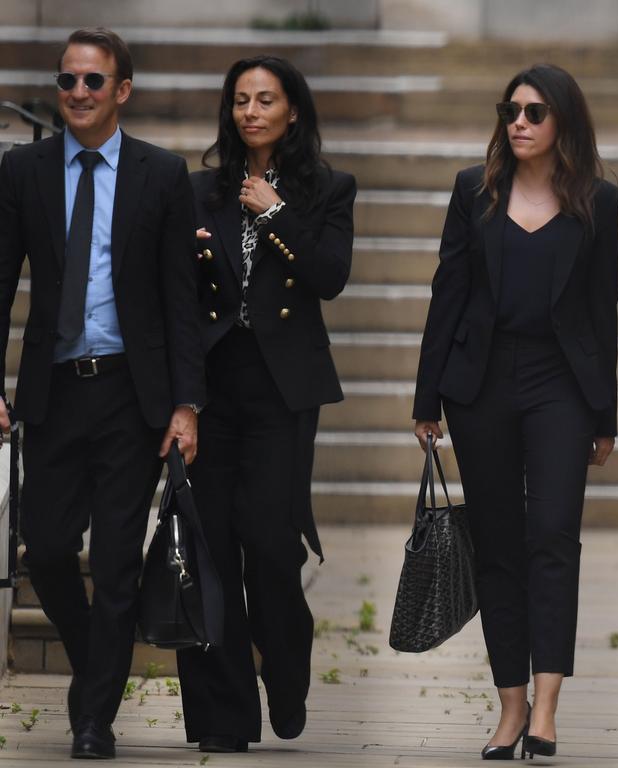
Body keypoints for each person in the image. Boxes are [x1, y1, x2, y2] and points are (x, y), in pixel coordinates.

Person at [0, 27, 204, 759]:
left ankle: (94, 721)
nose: (77, 93)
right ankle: (96, 667)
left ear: (122, 90)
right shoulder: (23, 170)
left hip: (131, 395)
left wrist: (186, 405)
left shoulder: (161, 173)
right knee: (47, 548)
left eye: (92, 81)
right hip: (53, 393)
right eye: (67, 81)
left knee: (117, 561)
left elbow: (181, 300)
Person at [412, 63, 618, 760]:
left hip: (561, 385)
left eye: (535, 112)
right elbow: (449, 290)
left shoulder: (600, 199)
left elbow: (600, 311)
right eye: (512, 111)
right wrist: (426, 397)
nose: (520, 123)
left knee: (555, 536)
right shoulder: (476, 190)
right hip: (482, 385)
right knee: (498, 544)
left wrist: (604, 413)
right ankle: (510, 707)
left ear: (564, 121)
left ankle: (547, 707)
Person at [175, 55, 356, 753]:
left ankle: (285, 666)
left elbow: (330, 276)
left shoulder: (328, 190)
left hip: (285, 388)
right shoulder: (198, 190)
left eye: (265, 100)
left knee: (271, 545)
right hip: (214, 383)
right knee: (211, 548)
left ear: (292, 112)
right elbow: (178, 296)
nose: (250, 111)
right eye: (240, 100)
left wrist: (275, 212)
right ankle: (225, 716)